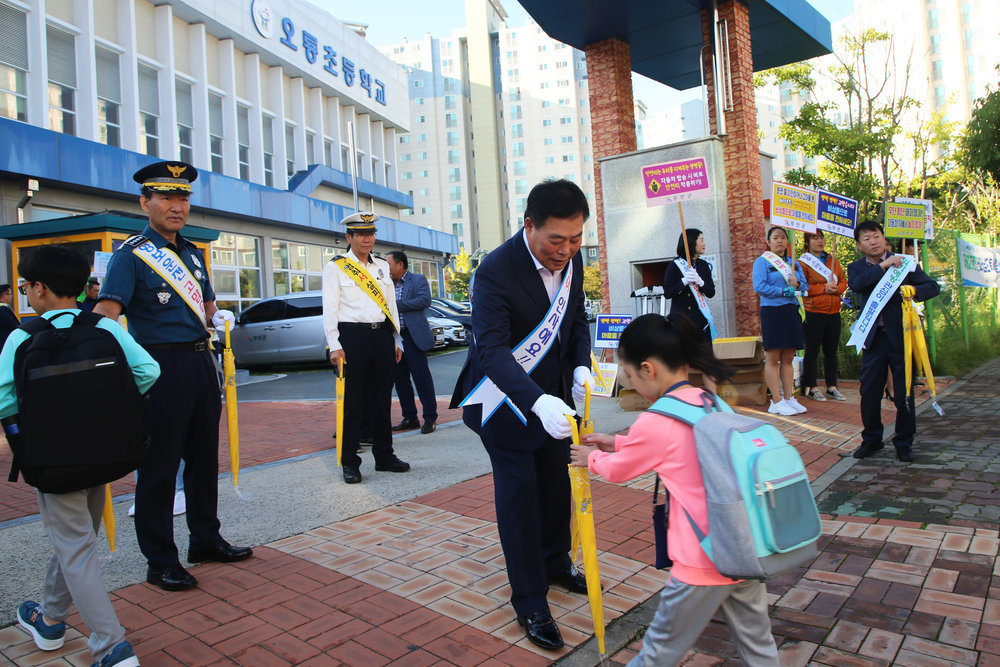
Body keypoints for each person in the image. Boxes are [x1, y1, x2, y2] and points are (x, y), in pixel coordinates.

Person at [569, 313, 779, 666]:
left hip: (701, 559)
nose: (632, 381)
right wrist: (616, 441)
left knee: (658, 652)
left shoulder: (656, 420)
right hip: (742, 547)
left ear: (648, 370)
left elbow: (620, 471)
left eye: (630, 375)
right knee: (758, 645)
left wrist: (591, 456)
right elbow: (676, 449)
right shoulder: (708, 400)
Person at [95, 161, 252, 592]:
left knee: (203, 460)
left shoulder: (191, 253)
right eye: (166, 197)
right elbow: (106, 316)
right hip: (160, 367)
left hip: (202, 363)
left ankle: (204, 538)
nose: (176, 206)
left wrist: (218, 316)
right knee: (160, 468)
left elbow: (205, 308)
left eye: (182, 198)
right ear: (145, 202)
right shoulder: (131, 255)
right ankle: (159, 559)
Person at [451, 179, 594, 651]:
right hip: (505, 405)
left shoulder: (571, 262)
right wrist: (536, 400)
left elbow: (575, 322)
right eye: (557, 239)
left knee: (556, 487)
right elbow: (490, 351)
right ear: (529, 224)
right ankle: (530, 599)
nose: (566, 250)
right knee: (521, 498)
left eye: (576, 240)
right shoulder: (495, 271)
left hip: (557, 402)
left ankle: (554, 564)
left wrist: (579, 366)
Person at [4, 244, 159, 667]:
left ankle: (111, 647)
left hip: (53, 459)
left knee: (74, 545)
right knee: (77, 539)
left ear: (39, 288)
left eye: (25, 285)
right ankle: (51, 620)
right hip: (107, 451)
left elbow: (3, 399)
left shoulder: (22, 336)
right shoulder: (105, 328)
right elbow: (148, 372)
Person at [322, 212, 410, 484]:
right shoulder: (336, 267)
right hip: (352, 338)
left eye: (371, 233)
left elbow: (390, 305)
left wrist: (396, 339)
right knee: (352, 404)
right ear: (349, 237)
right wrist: (334, 344)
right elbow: (330, 308)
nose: (367, 239)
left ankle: (384, 455)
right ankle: (350, 461)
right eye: (360, 234)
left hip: (381, 336)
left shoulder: (382, 266)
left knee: (383, 401)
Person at [847, 220, 940, 463]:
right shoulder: (856, 267)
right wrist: (883, 266)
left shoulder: (906, 263)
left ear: (883, 237)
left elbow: (932, 286)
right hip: (874, 338)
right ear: (859, 245)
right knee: (869, 391)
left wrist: (913, 291)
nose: (873, 242)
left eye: (875, 236)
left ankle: (903, 442)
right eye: (866, 239)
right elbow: (857, 285)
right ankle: (872, 440)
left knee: (904, 392)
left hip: (903, 336)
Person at [752, 227, 808, 416]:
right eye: (775, 238)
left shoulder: (794, 263)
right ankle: (775, 401)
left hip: (791, 310)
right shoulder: (762, 261)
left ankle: (789, 398)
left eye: (783, 238)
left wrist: (797, 284)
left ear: (787, 241)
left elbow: (805, 287)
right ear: (769, 241)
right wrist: (783, 291)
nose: (780, 241)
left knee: (788, 357)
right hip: (772, 311)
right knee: (773, 357)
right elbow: (759, 286)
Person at [386, 250, 438, 434]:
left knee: (421, 378)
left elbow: (425, 300)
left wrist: (396, 306)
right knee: (400, 381)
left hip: (413, 337)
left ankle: (430, 417)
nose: (387, 268)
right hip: (395, 338)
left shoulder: (418, 280)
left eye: (389, 264)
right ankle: (410, 417)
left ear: (400, 264)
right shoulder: (386, 284)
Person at [798, 230, 847, 402]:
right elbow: (803, 287)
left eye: (821, 237)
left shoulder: (831, 260)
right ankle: (812, 386)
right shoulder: (802, 263)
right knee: (812, 351)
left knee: (831, 351)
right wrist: (824, 288)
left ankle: (832, 386)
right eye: (815, 238)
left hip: (833, 311)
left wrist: (837, 289)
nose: (820, 241)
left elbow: (842, 281)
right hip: (813, 312)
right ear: (807, 242)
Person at [662, 229, 716, 342]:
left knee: (703, 357)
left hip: (700, 320)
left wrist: (701, 282)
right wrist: (684, 281)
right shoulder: (675, 265)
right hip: (682, 321)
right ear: (691, 243)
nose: (704, 243)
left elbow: (711, 292)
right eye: (701, 240)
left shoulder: (703, 265)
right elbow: (668, 292)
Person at [0, 283, 20, 348]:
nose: (11, 296)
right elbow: (15, 326)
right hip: (5, 345)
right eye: (10, 294)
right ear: (3, 295)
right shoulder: (3, 309)